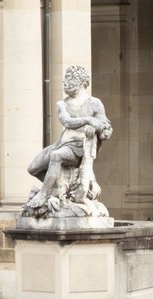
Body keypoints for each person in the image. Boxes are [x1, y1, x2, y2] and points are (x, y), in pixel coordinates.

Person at [25, 65, 112, 215]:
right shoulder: (62, 104)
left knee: (56, 156)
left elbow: (106, 126)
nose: (65, 82)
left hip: (80, 146)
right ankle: (58, 188)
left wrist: (98, 129)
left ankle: (44, 194)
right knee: (33, 168)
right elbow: (66, 122)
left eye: (69, 78)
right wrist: (89, 120)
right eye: (65, 79)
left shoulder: (94, 103)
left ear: (80, 81)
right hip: (63, 142)